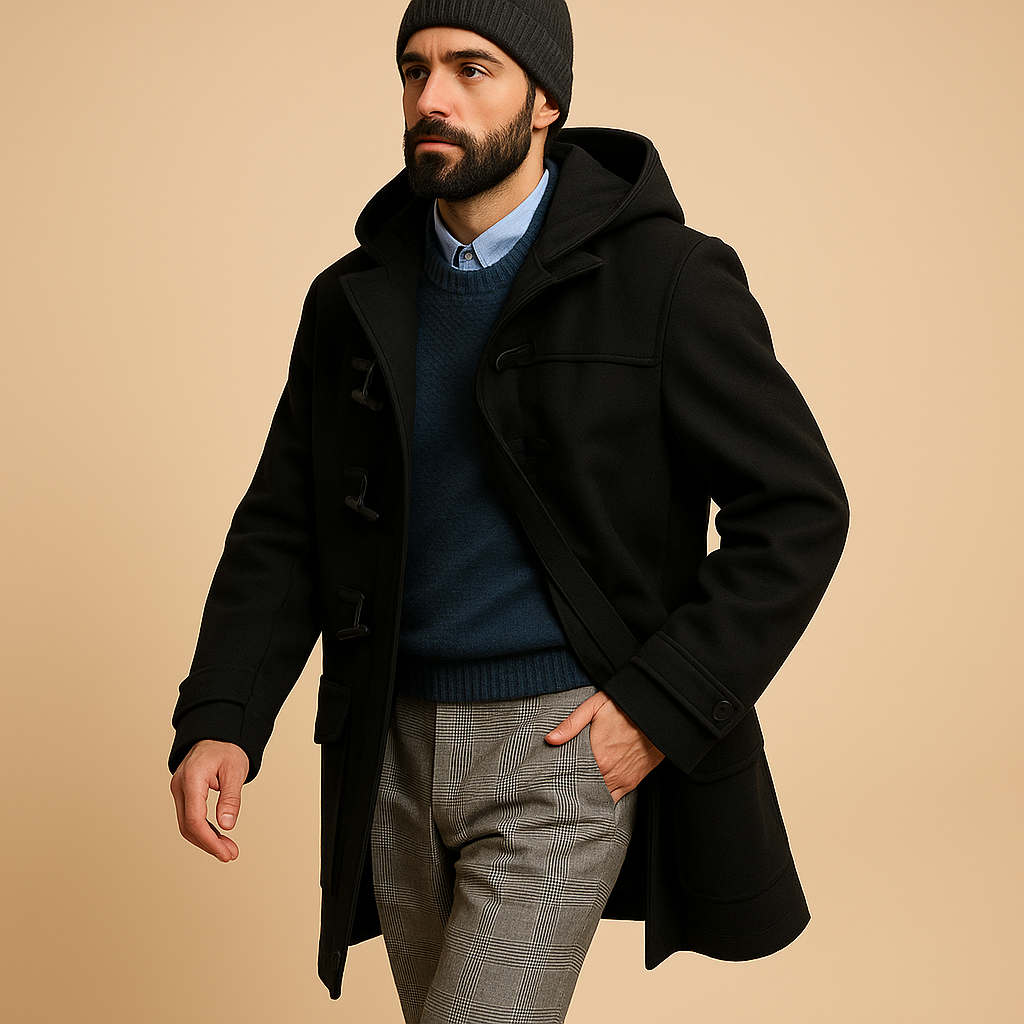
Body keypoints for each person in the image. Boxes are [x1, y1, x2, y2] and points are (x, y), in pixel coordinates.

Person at [168, 1, 849, 1020]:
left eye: (471, 69)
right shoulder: (350, 299)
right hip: (387, 748)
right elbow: (286, 521)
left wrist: (655, 709)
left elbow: (798, 508)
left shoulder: (667, 277)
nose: (430, 97)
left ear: (545, 101)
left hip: (558, 750)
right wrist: (221, 714)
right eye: (414, 70)